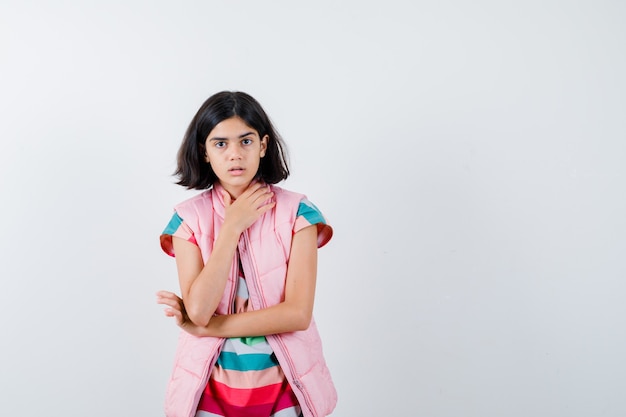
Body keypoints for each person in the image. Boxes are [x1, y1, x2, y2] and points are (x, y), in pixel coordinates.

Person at [156, 91, 337, 417]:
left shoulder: (298, 212)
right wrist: (231, 228)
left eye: (246, 141)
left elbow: (297, 314)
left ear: (263, 146)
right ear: (205, 152)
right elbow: (198, 312)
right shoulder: (187, 219)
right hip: (208, 393)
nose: (235, 154)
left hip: (284, 390)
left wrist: (211, 327)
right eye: (220, 143)